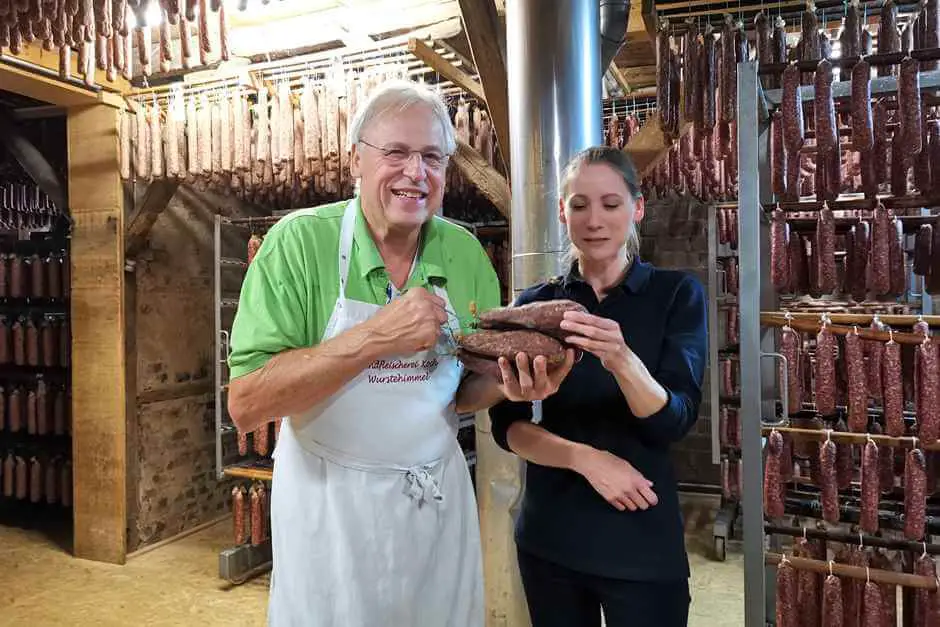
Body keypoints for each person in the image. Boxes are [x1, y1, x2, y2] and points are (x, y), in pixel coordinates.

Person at [225, 80, 574, 627]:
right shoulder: (297, 244)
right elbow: (247, 403)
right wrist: (375, 338)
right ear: (355, 162)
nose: (416, 172)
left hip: (433, 502)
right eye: (396, 153)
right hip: (330, 508)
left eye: (433, 157)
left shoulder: (462, 253)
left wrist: (509, 384)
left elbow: (458, 391)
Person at [488, 146, 708, 627]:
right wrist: (587, 460)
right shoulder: (536, 304)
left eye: (610, 204)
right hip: (551, 541)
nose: (594, 220)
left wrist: (622, 358)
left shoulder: (675, 294)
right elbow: (508, 427)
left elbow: (675, 421)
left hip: (642, 542)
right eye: (579, 205)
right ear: (562, 213)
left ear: (637, 208)